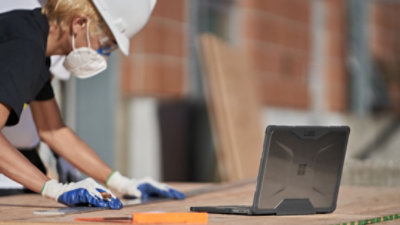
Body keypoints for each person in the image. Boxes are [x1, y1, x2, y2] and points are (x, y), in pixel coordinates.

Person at [0, 0, 185, 210]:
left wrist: (120, 182)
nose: (103, 54)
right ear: (79, 23)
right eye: (106, 43)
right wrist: (53, 189)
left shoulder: (35, 45)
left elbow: (53, 130)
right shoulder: (26, 47)